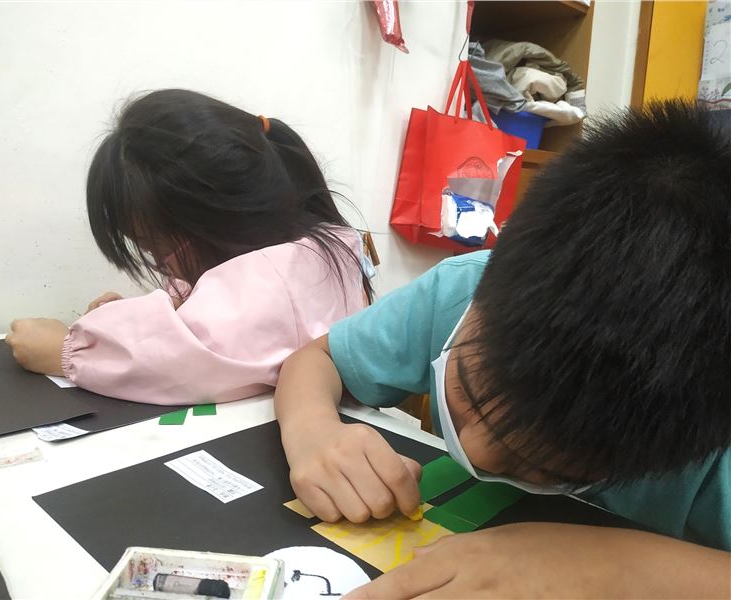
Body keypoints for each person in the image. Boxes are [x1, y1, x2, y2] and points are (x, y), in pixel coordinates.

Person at [275, 100, 731, 597]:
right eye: (468, 393)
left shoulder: (709, 417)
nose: (474, 451)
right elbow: (316, 359)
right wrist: (312, 431)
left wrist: (614, 567)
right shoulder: (462, 291)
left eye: (542, 465)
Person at [6, 89, 373, 405]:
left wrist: (66, 350)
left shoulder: (276, 275)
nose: (160, 264)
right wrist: (133, 318)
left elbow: (184, 356)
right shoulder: (315, 246)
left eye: (156, 249)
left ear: (217, 221)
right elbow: (205, 311)